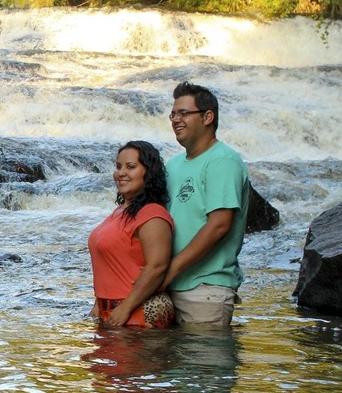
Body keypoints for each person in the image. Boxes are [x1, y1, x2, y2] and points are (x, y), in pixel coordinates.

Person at [162, 81, 249, 326]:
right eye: (173, 114)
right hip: (170, 286)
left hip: (206, 289)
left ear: (208, 117)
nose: (176, 120)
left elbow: (219, 225)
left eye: (184, 113)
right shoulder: (173, 165)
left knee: (203, 353)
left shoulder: (222, 161)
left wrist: (170, 270)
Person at [89, 140, 175, 328]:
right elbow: (111, 264)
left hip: (139, 309)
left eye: (130, 167)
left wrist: (126, 308)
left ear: (148, 172)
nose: (121, 173)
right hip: (114, 308)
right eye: (118, 166)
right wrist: (99, 303)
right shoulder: (120, 211)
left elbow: (158, 266)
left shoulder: (152, 213)